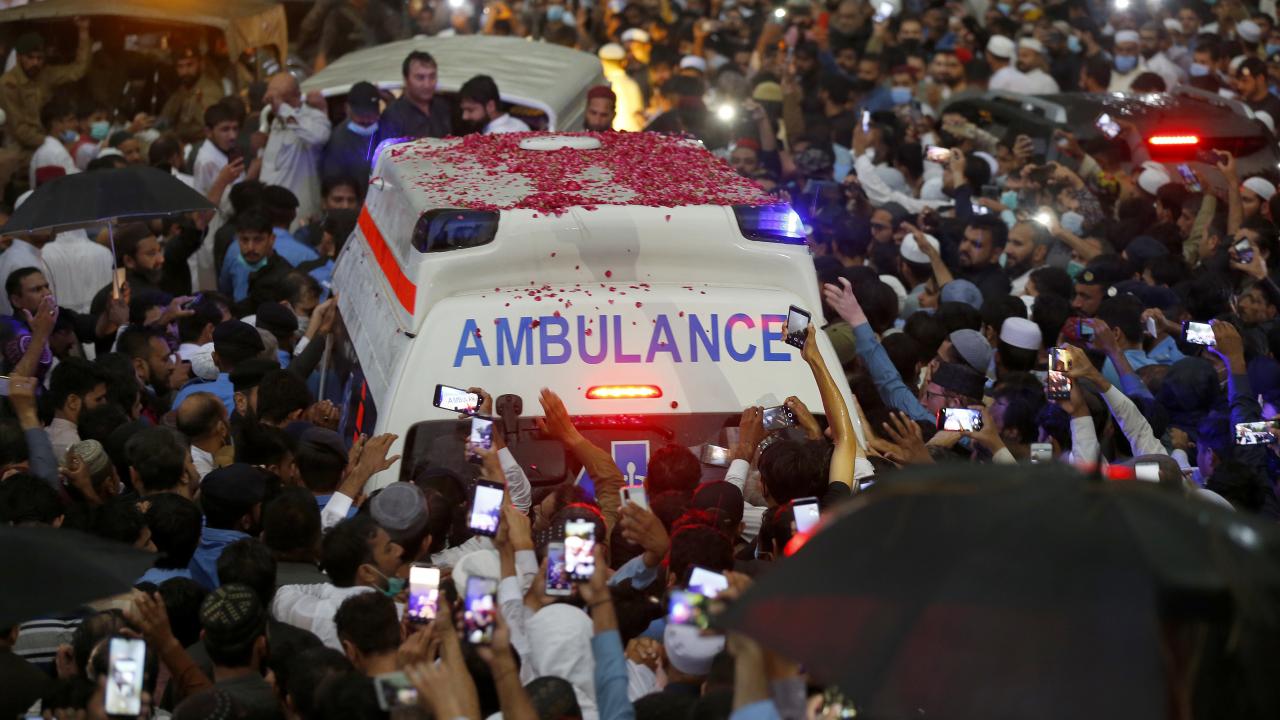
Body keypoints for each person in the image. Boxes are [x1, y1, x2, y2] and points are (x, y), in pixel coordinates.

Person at [0, 20, 91, 166]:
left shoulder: (45, 74)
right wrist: (51, 142)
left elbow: (78, 70)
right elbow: (20, 130)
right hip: (20, 148)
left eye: (39, 58)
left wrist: (83, 32)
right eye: (30, 57)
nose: (35, 63)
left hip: (47, 141)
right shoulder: (9, 84)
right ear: (19, 57)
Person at [260, 74, 332, 225]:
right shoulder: (275, 121)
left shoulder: (314, 117)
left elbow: (319, 137)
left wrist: (285, 110)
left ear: (297, 96)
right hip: (269, 211)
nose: (276, 105)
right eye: (273, 101)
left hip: (298, 215)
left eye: (283, 100)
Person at [218, 208, 296, 309]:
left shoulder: (285, 277)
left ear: (272, 239)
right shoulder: (234, 259)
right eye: (244, 239)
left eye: (258, 240)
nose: (250, 247)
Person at [160, 45, 227, 146]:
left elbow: (210, 125)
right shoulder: (182, 90)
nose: (185, 71)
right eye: (180, 66)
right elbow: (166, 115)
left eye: (190, 65)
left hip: (200, 144)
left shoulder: (210, 90)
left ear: (201, 64)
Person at [378, 51, 451, 142]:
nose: (427, 85)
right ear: (406, 79)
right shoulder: (393, 115)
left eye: (432, 77)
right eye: (420, 77)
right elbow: (387, 149)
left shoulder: (442, 106)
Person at [45, 357, 108, 462]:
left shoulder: (45, 433)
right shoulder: (74, 447)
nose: (104, 403)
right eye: (98, 399)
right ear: (73, 401)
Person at [321, 80, 380, 186]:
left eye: (370, 115)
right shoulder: (338, 141)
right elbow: (334, 182)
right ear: (347, 109)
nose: (366, 120)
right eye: (361, 115)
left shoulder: (386, 130)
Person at [176, 391, 232, 481]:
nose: (229, 420)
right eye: (226, 416)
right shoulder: (207, 479)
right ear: (222, 428)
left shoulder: (188, 461)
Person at [28, 97, 80, 189]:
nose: (76, 124)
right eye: (71, 120)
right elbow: (71, 186)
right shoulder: (54, 152)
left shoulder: (51, 149)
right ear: (55, 123)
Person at [458, 74, 531, 134]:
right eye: (463, 110)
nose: (464, 117)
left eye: (470, 110)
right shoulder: (519, 124)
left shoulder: (494, 138)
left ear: (490, 106)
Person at [599, 43, 645, 131]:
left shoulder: (603, 83)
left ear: (602, 62)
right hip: (633, 132)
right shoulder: (632, 83)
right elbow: (638, 113)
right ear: (624, 62)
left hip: (611, 133)